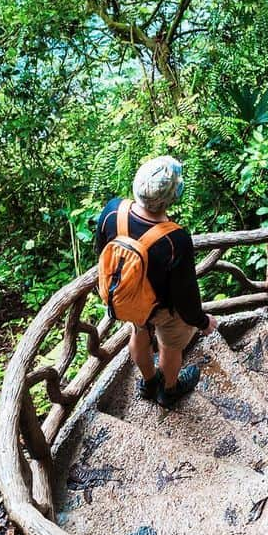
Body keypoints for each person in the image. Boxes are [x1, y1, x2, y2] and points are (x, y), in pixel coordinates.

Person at [96, 156, 218, 409]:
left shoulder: (112, 211)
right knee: (171, 346)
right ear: (173, 195)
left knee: (139, 332)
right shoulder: (175, 239)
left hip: (129, 300)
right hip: (164, 309)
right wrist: (202, 321)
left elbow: (102, 252)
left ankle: (149, 381)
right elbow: (185, 294)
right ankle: (169, 390)